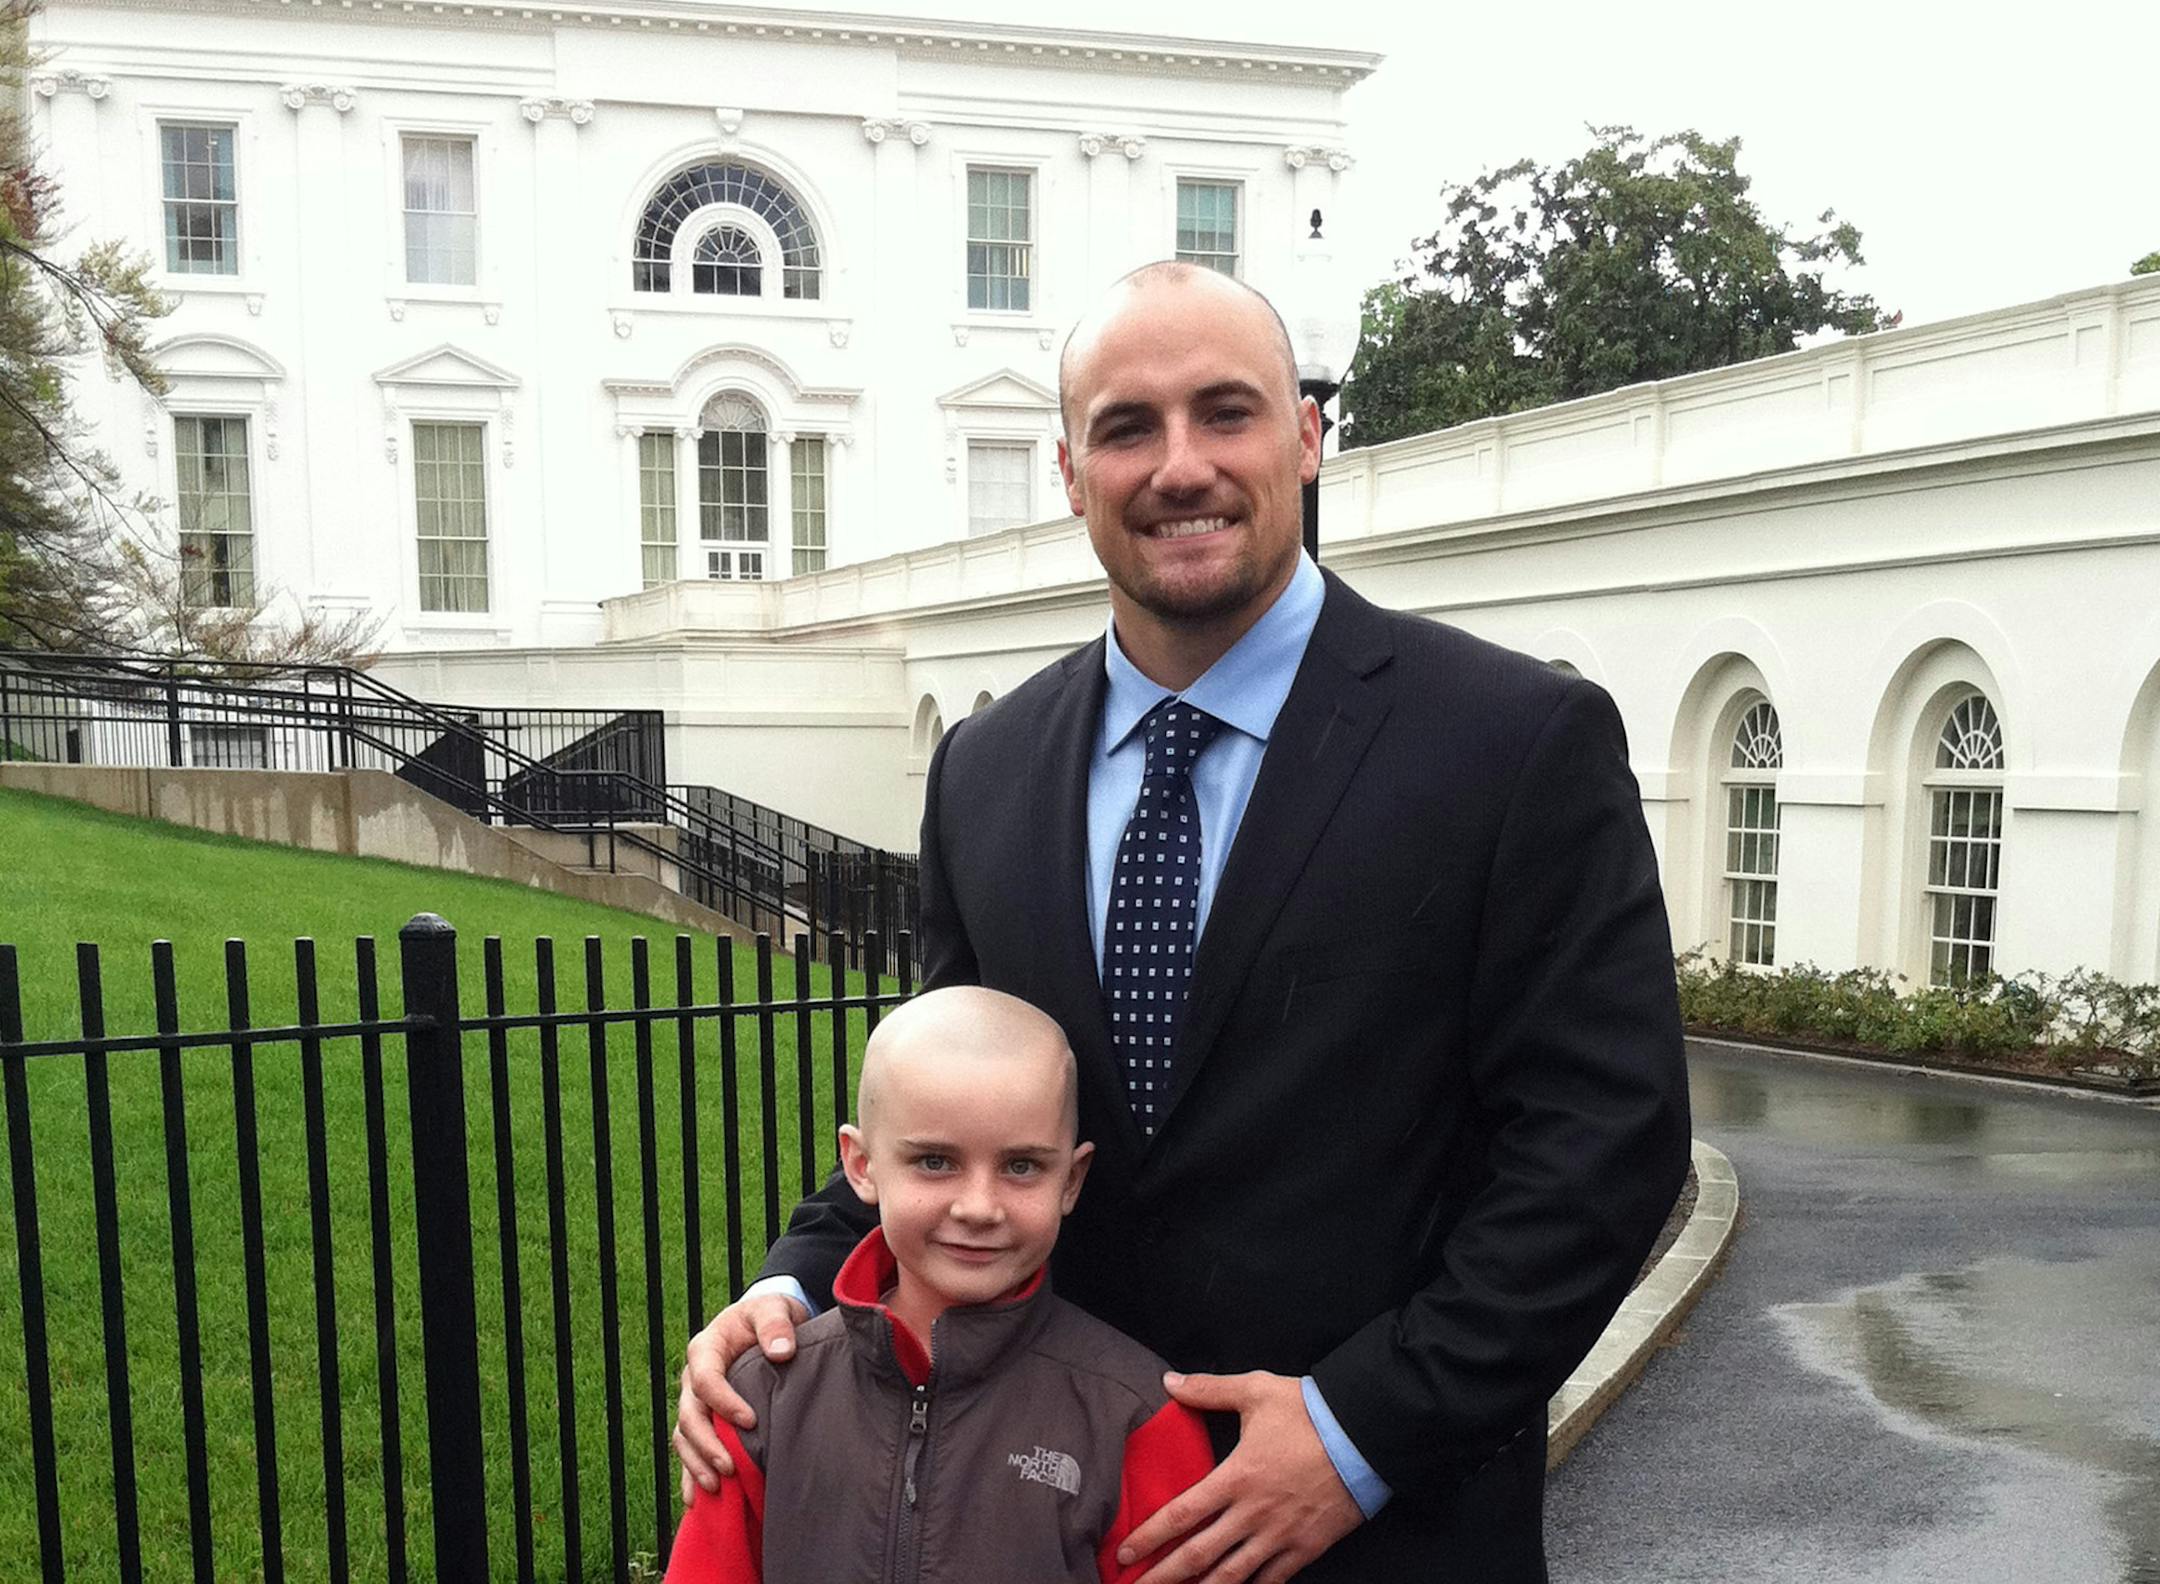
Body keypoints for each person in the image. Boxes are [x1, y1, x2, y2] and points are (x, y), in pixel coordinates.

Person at [675, 260, 1691, 1583]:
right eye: (1127, 427)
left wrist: (1358, 1432)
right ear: (1069, 470)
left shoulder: (1510, 743)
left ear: (1308, 436)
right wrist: (794, 1289)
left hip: (1387, 1532)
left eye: (1228, 412)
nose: (1180, 466)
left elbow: (1603, 1145)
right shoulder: (987, 771)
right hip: (1050, 1523)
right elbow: (961, 1101)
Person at [664, 985, 1216, 1584]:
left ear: (1072, 1178)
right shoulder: (762, 1400)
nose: (979, 1207)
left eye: (1021, 1166)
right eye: (935, 1161)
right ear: (861, 1166)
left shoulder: (1138, 1421)